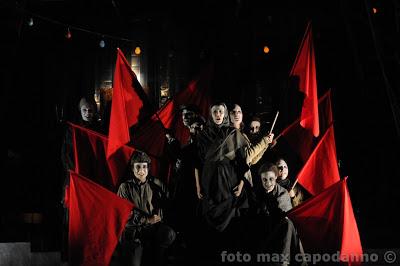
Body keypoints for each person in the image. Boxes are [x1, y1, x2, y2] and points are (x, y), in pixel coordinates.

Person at [59, 96, 103, 261]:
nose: (88, 113)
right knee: (71, 218)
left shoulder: (99, 129)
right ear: (80, 110)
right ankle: (69, 255)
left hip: (92, 181)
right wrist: (77, 175)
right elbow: (66, 155)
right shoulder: (73, 129)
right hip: (76, 180)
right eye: (85, 110)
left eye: (90, 110)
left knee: (91, 218)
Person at [117, 150, 176, 266]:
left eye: (144, 167)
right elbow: (124, 215)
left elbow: (168, 205)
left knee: (168, 234)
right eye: (138, 167)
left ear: (148, 168)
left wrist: (161, 213)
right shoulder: (125, 187)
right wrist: (147, 220)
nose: (141, 170)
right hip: (134, 231)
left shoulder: (157, 184)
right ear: (132, 168)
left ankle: (158, 255)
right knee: (134, 263)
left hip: (153, 229)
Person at [249, 163, 305, 266]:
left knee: (287, 223)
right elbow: (255, 215)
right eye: (264, 180)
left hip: (280, 229)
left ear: (275, 177)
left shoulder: (283, 193)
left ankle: (283, 261)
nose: (268, 183)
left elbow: (285, 214)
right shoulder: (256, 194)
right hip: (265, 229)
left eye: (271, 179)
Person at [229, 104, 274, 187]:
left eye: (239, 111)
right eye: (233, 112)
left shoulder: (242, 134)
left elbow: (252, 161)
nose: (236, 114)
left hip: (245, 178)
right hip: (235, 177)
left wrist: (266, 144)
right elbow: (247, 156)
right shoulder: (231, 133)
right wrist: (264, 142)